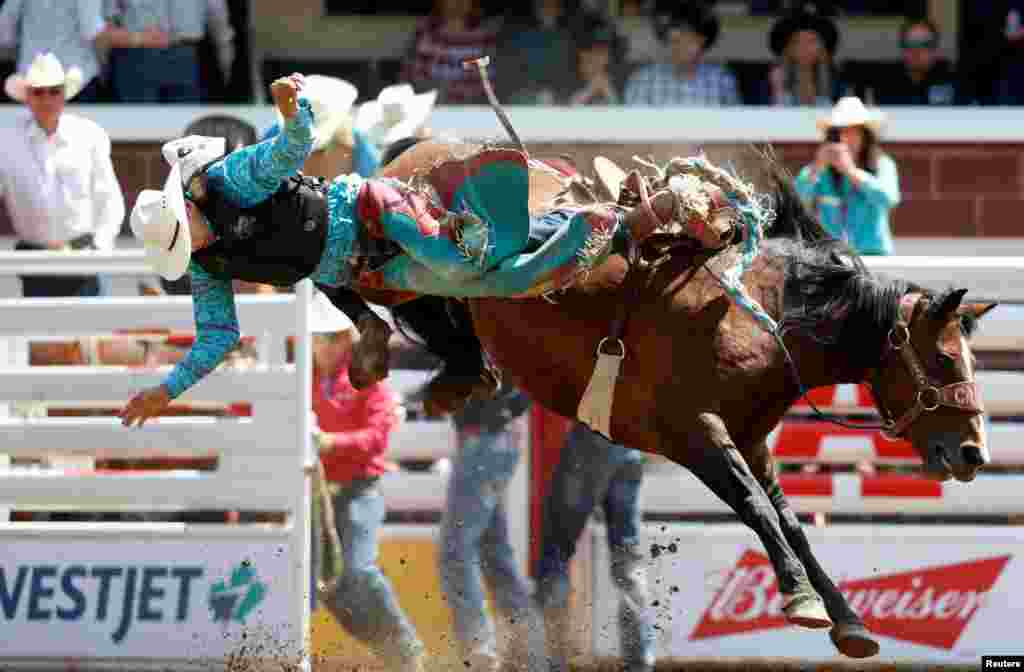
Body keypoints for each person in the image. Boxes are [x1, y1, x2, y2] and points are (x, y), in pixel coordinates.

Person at [120, 73, 685, 427]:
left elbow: (292, 147)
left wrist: (294, 112)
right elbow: (217, 336)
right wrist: (167, 391)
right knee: (498, 281)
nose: (189, 242)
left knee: (455, 262)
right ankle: (595, 230)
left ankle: (567, 227)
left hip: (370, 211)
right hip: (366, 269)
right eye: (179, 244)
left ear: (185, 204)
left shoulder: (232, 180)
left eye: (181, 229)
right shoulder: (206, 265)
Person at [306, 289, 426, 672]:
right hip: (321, 494)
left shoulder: (366, 376)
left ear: (346, 339)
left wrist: (328, 442)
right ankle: (395, 652)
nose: (324, 346)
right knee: (332, 587)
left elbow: (377, 437)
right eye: (319, 338)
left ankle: (405, 647)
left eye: (331, 337)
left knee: (358, 571)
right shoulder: (302, 378)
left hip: (359, 488)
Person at [0, 52, 125, 298]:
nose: (46, 99)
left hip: (85, 257)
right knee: (39, 334)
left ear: (64, 94)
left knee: (92, 335)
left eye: (54, 91)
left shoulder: (89, 135)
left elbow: (109, 199)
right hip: (34, 260)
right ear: (27, 96)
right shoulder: (6, 142)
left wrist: (100, 248)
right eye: (38, 92)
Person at [438, 385, 545, 672]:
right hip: (492, 439)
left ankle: (480, 652)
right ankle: (532, 655)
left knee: (455, 553)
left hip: (483, 441)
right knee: (493, 554)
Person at [534, 422, 654, 672]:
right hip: (629, 445)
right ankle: (640, 660)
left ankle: (552, 662)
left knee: (556, 552)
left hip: (590, 438)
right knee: (627, 559)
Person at [794, 96, 900, 255]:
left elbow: (888, 198)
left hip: (873, 255)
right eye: (840, 133)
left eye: (853, 131)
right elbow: (797, 200)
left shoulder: (882, 164)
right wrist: (817, 168)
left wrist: (851, 172)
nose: (846, 139)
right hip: (834, 259)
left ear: (865, 136)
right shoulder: (819, 171)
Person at [102, 0, 234, 103]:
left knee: (179, 129)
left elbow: (109, 16)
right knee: (141, 130)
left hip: (182, 58)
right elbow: (217, 16)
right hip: (138, 54)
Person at [623, 0, 739, 106]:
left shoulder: (722, 81)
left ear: (703, 42)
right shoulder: (643, 81)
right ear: (665, 40)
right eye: (675, 40)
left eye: (689, 39)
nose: (681, 47)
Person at [0, 0, 110, 102]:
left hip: (32, 77)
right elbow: (92, 30)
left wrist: (19, 49)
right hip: (75, 79)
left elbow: (6, 23)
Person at [401, 0, 497, 105]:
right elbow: (411, 77)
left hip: (472, 109)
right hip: (430, 107)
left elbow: (489, 80)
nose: (457, 2)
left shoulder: (485, 36)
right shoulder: (424, 32)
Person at [764, 1, 842, 107]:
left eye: (812, 41)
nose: (804, 47)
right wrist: (778, 90)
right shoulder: (773, 82)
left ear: (822, 49)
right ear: (788, 49)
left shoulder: (838, 84)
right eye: (796, 42)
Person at [875, 16, 958, 106]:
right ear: (902, 49)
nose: (916, 51)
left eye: (924, 45)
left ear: (936, 50)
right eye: (910, 44)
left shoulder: (951, 81)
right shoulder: (887, 84)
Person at [566, 11, 628, 106]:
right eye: (586, 59)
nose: (592, 60)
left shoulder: (623, 83)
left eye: (602, 53)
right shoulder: (571, 85)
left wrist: (607, 90)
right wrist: (589, 91)